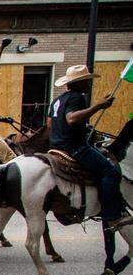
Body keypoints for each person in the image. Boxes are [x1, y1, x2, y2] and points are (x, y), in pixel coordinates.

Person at [49, 64, 128, 230]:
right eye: (86, 81)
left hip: (56, 146)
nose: (89, 84)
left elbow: (51, 123)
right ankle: (111, 215)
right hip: (75, 148)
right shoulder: (77, 97)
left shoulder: (58, 100)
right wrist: (98, 106)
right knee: (111, 172)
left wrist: (84, 129)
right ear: (78, 83)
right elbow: (71, 119)